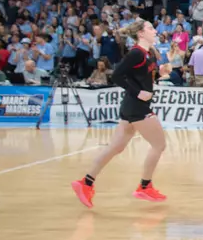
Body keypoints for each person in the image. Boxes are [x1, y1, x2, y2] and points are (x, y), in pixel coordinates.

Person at [71, 19, 167, 208]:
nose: (155, 31)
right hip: (137, 107)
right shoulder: (136, 53)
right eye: (150, 28)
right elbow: (115, 76)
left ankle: (86, 182)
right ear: (140, 33)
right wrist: (138, 92)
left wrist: (161, 71)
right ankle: (144, 186)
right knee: (159, 145)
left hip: (130, 107)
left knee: (115, 147)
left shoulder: (148, 53)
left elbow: (140, 75)